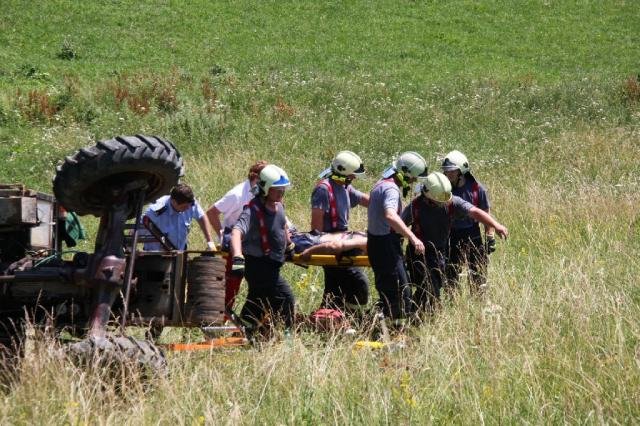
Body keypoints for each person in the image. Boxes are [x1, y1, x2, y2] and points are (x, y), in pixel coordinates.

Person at [402, 172, 508, 314]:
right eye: (439, 200)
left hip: (440, 253)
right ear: (428, 196)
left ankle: (412, 312)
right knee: (430, 291)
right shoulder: (415, 207)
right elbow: (399, 226)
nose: (443, 203)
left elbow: (475, 212)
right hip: (418, 254)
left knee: (433, 289)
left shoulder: (452, 202)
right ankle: (416, 316)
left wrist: (496, 225)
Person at [230, 164, 296, 334]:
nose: (281, 192)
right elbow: (236, 232)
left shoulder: (279, 206)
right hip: (257, 265)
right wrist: (237, 256)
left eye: (283, 189)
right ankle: (288, 338)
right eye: (277, 189)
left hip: (273, 264)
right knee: (285, 297)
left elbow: (282, 227)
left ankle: (243, 334)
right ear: (265, 189)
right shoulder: (252, 210)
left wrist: (289, 245)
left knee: (257, 301)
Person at [366, 151, 428, 326]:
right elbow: (390, 215)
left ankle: (388, 327)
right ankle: (394, 333)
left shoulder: (381, 183)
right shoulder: (392, 189)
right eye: (413, 178)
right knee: (400, 291)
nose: (414, 181)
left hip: (377, 243)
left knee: (392, 289)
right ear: (406, 174)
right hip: (385, 245)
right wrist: (412, 237)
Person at [311, 151, 370, 312]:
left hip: (342, 242)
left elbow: (365, 200)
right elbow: (316, 229)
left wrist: (383, 205)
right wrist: (328, 247)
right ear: (343, 172)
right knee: (358, 281)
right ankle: (352, 317)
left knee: (334, 289)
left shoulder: (344, 186)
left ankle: (330, 318)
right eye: (352, 175)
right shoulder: (324, 190)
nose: (354, 178)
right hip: (330, 244)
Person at [206, 161, 268, 311]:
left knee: (260, 281)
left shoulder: (263, 193)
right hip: (235, 243)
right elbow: (211, 213)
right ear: (257, 178)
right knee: (232, 282)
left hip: (254, 243)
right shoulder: (236, 194)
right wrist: (222, 234)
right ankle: (220, 317)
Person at [441, 150, 495, 291]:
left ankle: (478, 301)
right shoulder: (443, 189)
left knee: (477, 272)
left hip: (472, 234)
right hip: (451, 235)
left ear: (461, 171)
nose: (448, 174)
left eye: (452, 171)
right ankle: (453, 301)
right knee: (451, 273)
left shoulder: (477, 189)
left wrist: (490, 236)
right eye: (446, 171)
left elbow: (485, 213)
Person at [142, 183, 216, 251]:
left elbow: (201, 217)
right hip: (156, 256)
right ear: (173, 202)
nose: (188, 209)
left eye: (189, 206)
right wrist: (131, 248)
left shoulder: (190, 203)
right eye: (184, 207)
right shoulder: (156, 211)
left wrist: (210, 241)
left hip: (179, 254)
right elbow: (136, 230)